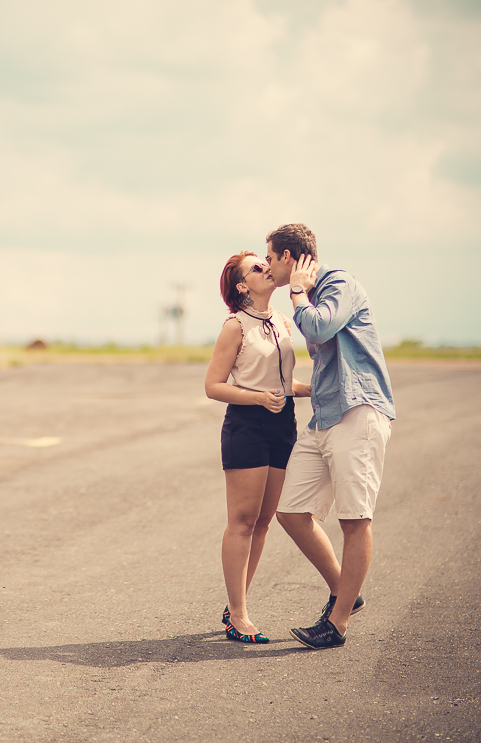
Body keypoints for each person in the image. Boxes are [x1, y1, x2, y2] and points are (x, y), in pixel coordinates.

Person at [264, 223, 395, 650]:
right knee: (291, 511)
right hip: (325, 416)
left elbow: (319, 329)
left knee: (355, 520)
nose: (267, 266)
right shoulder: (313, 292)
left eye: (270, 258)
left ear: (288, 257)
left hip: (358, 412)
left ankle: (337, 625)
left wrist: (297, 292)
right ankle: (346, 592)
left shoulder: (338, 284)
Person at [204, 251, 310, 643]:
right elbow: (213, 386)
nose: (266, 267)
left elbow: (282, 383)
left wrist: (313, 389)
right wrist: (259, 399)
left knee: (264, 521)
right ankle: (239, 615)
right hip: (247, 424)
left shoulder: (282, 320)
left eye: (264, 263)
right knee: (243, 521)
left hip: (283, 423)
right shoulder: (235, 326)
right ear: (242, 286)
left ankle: (236, 606)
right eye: (256, 267)